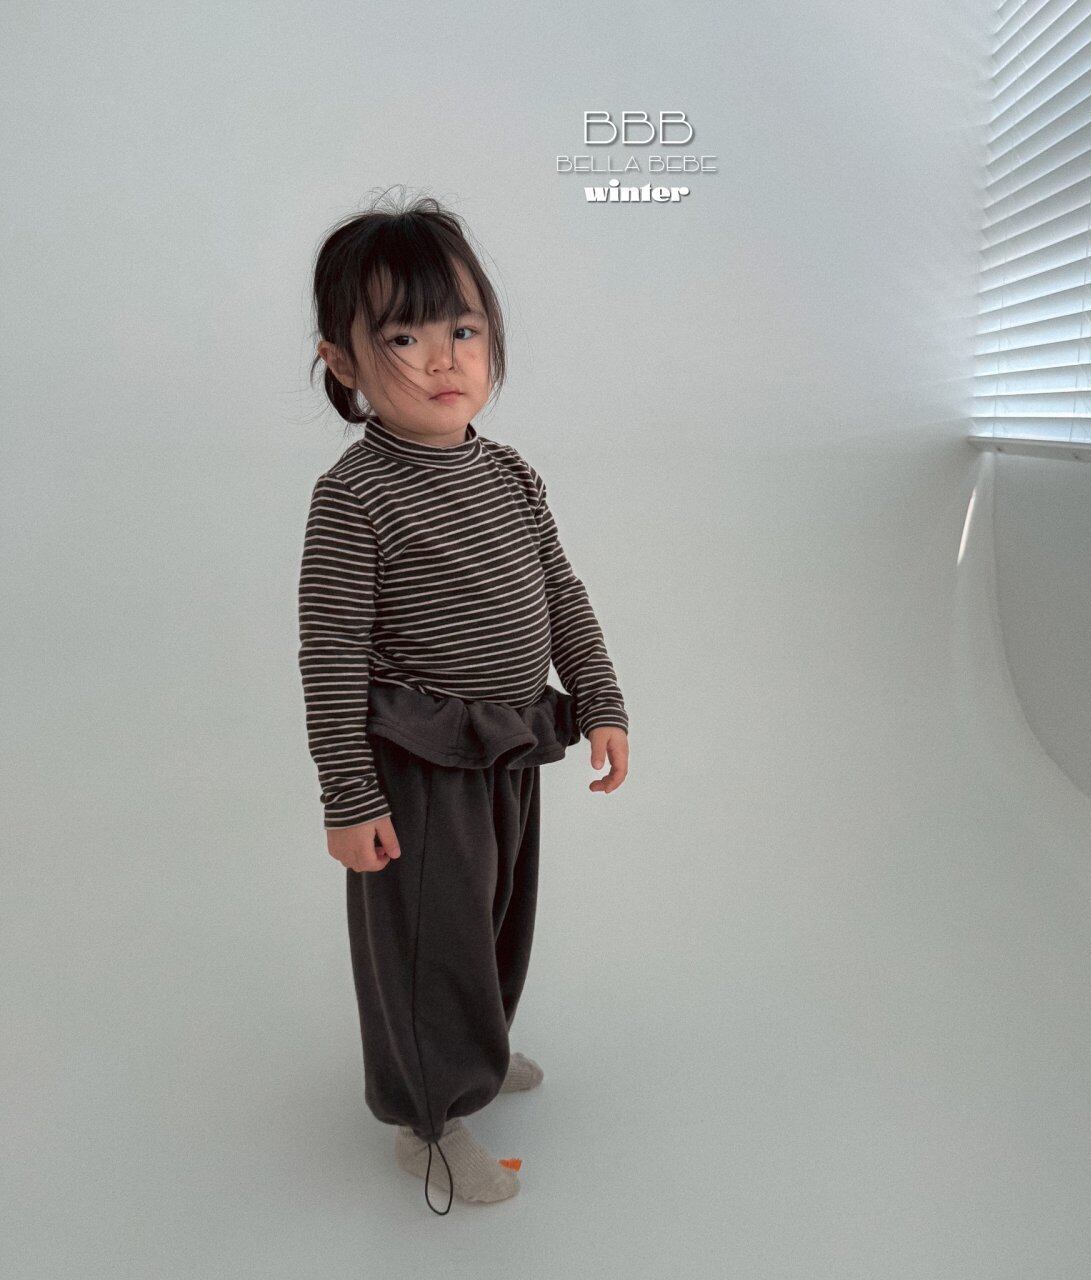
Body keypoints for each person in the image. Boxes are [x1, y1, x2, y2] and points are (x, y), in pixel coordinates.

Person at [297, 193, 630, 1214]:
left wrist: (599, 696)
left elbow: (558, 586)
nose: (443, 357)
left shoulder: (509, 472)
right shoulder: (355, 496)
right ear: (344, 363)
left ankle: (473, 1048)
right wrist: (349, 796)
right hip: (416, 760)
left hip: (507, 743)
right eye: (403, 336)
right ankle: (428, 1121)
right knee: (426, 943)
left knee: (494, 918)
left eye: (464, 329)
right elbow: (329, 654)